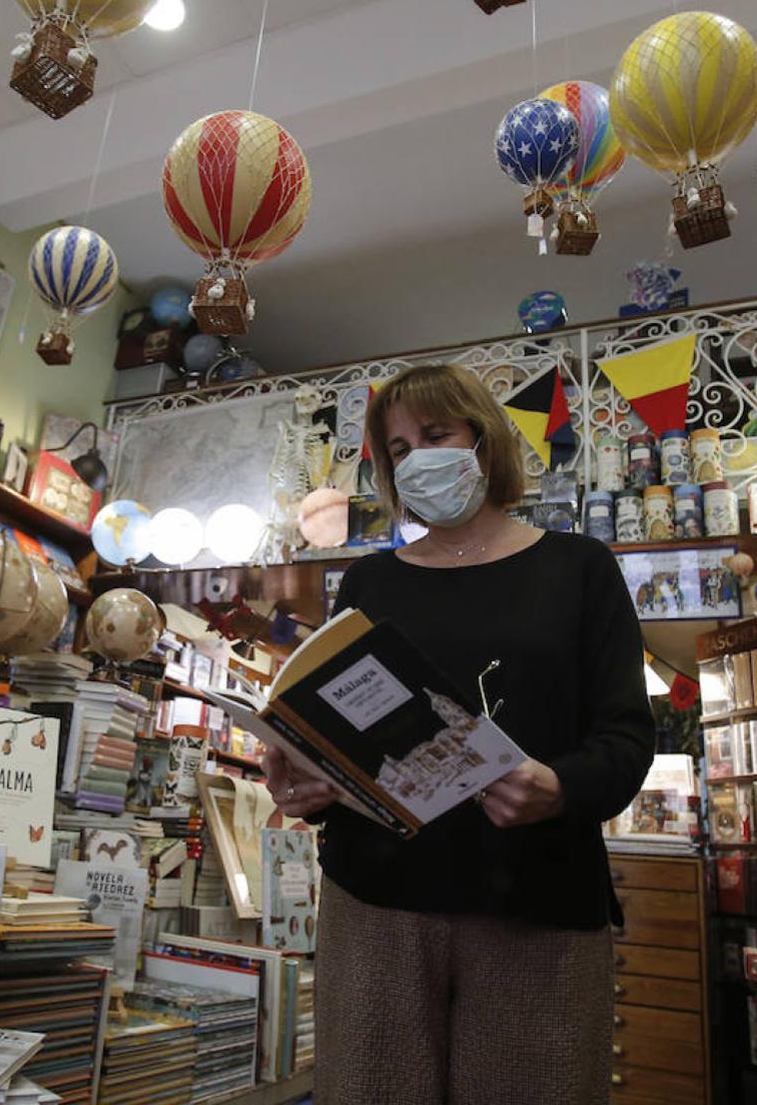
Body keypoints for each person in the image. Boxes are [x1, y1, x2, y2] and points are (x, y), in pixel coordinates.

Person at [266, 363, 656, 1104]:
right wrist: (304, 779)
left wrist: (560, 787)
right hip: (376, 903)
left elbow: (628, 740)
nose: (418, 459)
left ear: (484, 438)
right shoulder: (368, 584)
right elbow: (341, 739)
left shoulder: (580, 569)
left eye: (435, 435)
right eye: (399, 449)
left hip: (536, 907)